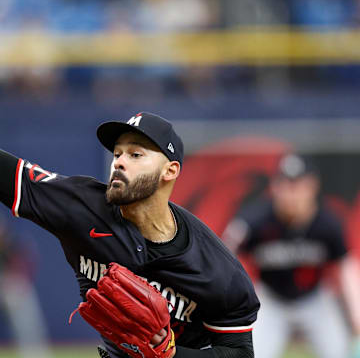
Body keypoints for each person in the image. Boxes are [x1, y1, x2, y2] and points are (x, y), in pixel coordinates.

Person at [0, 112, 260, 358]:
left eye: (136, 154)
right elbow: (10, 175)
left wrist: (171, 354)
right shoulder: (82, 208)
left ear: (169, 171)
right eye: (117, 154)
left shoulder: (217, 269)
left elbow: (238, 353)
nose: (120, 162)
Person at [222, 153, 360, 358]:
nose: (291, 194)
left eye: (298, 186)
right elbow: (223, 256)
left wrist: (356, 318)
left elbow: (346, 269)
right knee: (251, 354)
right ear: (275, 187)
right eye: (285, 185)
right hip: (271, 300)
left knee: (339, 352)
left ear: (312, 187)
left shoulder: (328, 224)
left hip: (315, 300)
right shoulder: (255, 220)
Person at [0, 217, 54, 358]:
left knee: (20, 296)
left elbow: (26, 260)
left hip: (10, 283)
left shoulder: (12, 243)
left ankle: (34, 353)